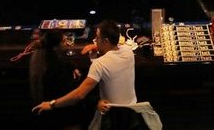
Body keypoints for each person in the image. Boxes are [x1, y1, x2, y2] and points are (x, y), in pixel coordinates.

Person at [32, 20, 161, 129]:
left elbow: (79, 94)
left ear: (105, 40)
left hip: (111, 114)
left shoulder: (99, 64)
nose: (95, 40)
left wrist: (51, 103)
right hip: (132, 113)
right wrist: (96, 47)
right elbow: (116, 51)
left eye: (97, 38)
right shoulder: (128, 51)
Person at [29, 30, 84, 130]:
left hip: (44, 114)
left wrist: (72, 66)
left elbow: (64, 60)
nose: (66, 43)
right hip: (60, 114)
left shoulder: (39, 57)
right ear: (56, 46)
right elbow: (71, 95)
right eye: (63, 41)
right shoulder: (56, 66)